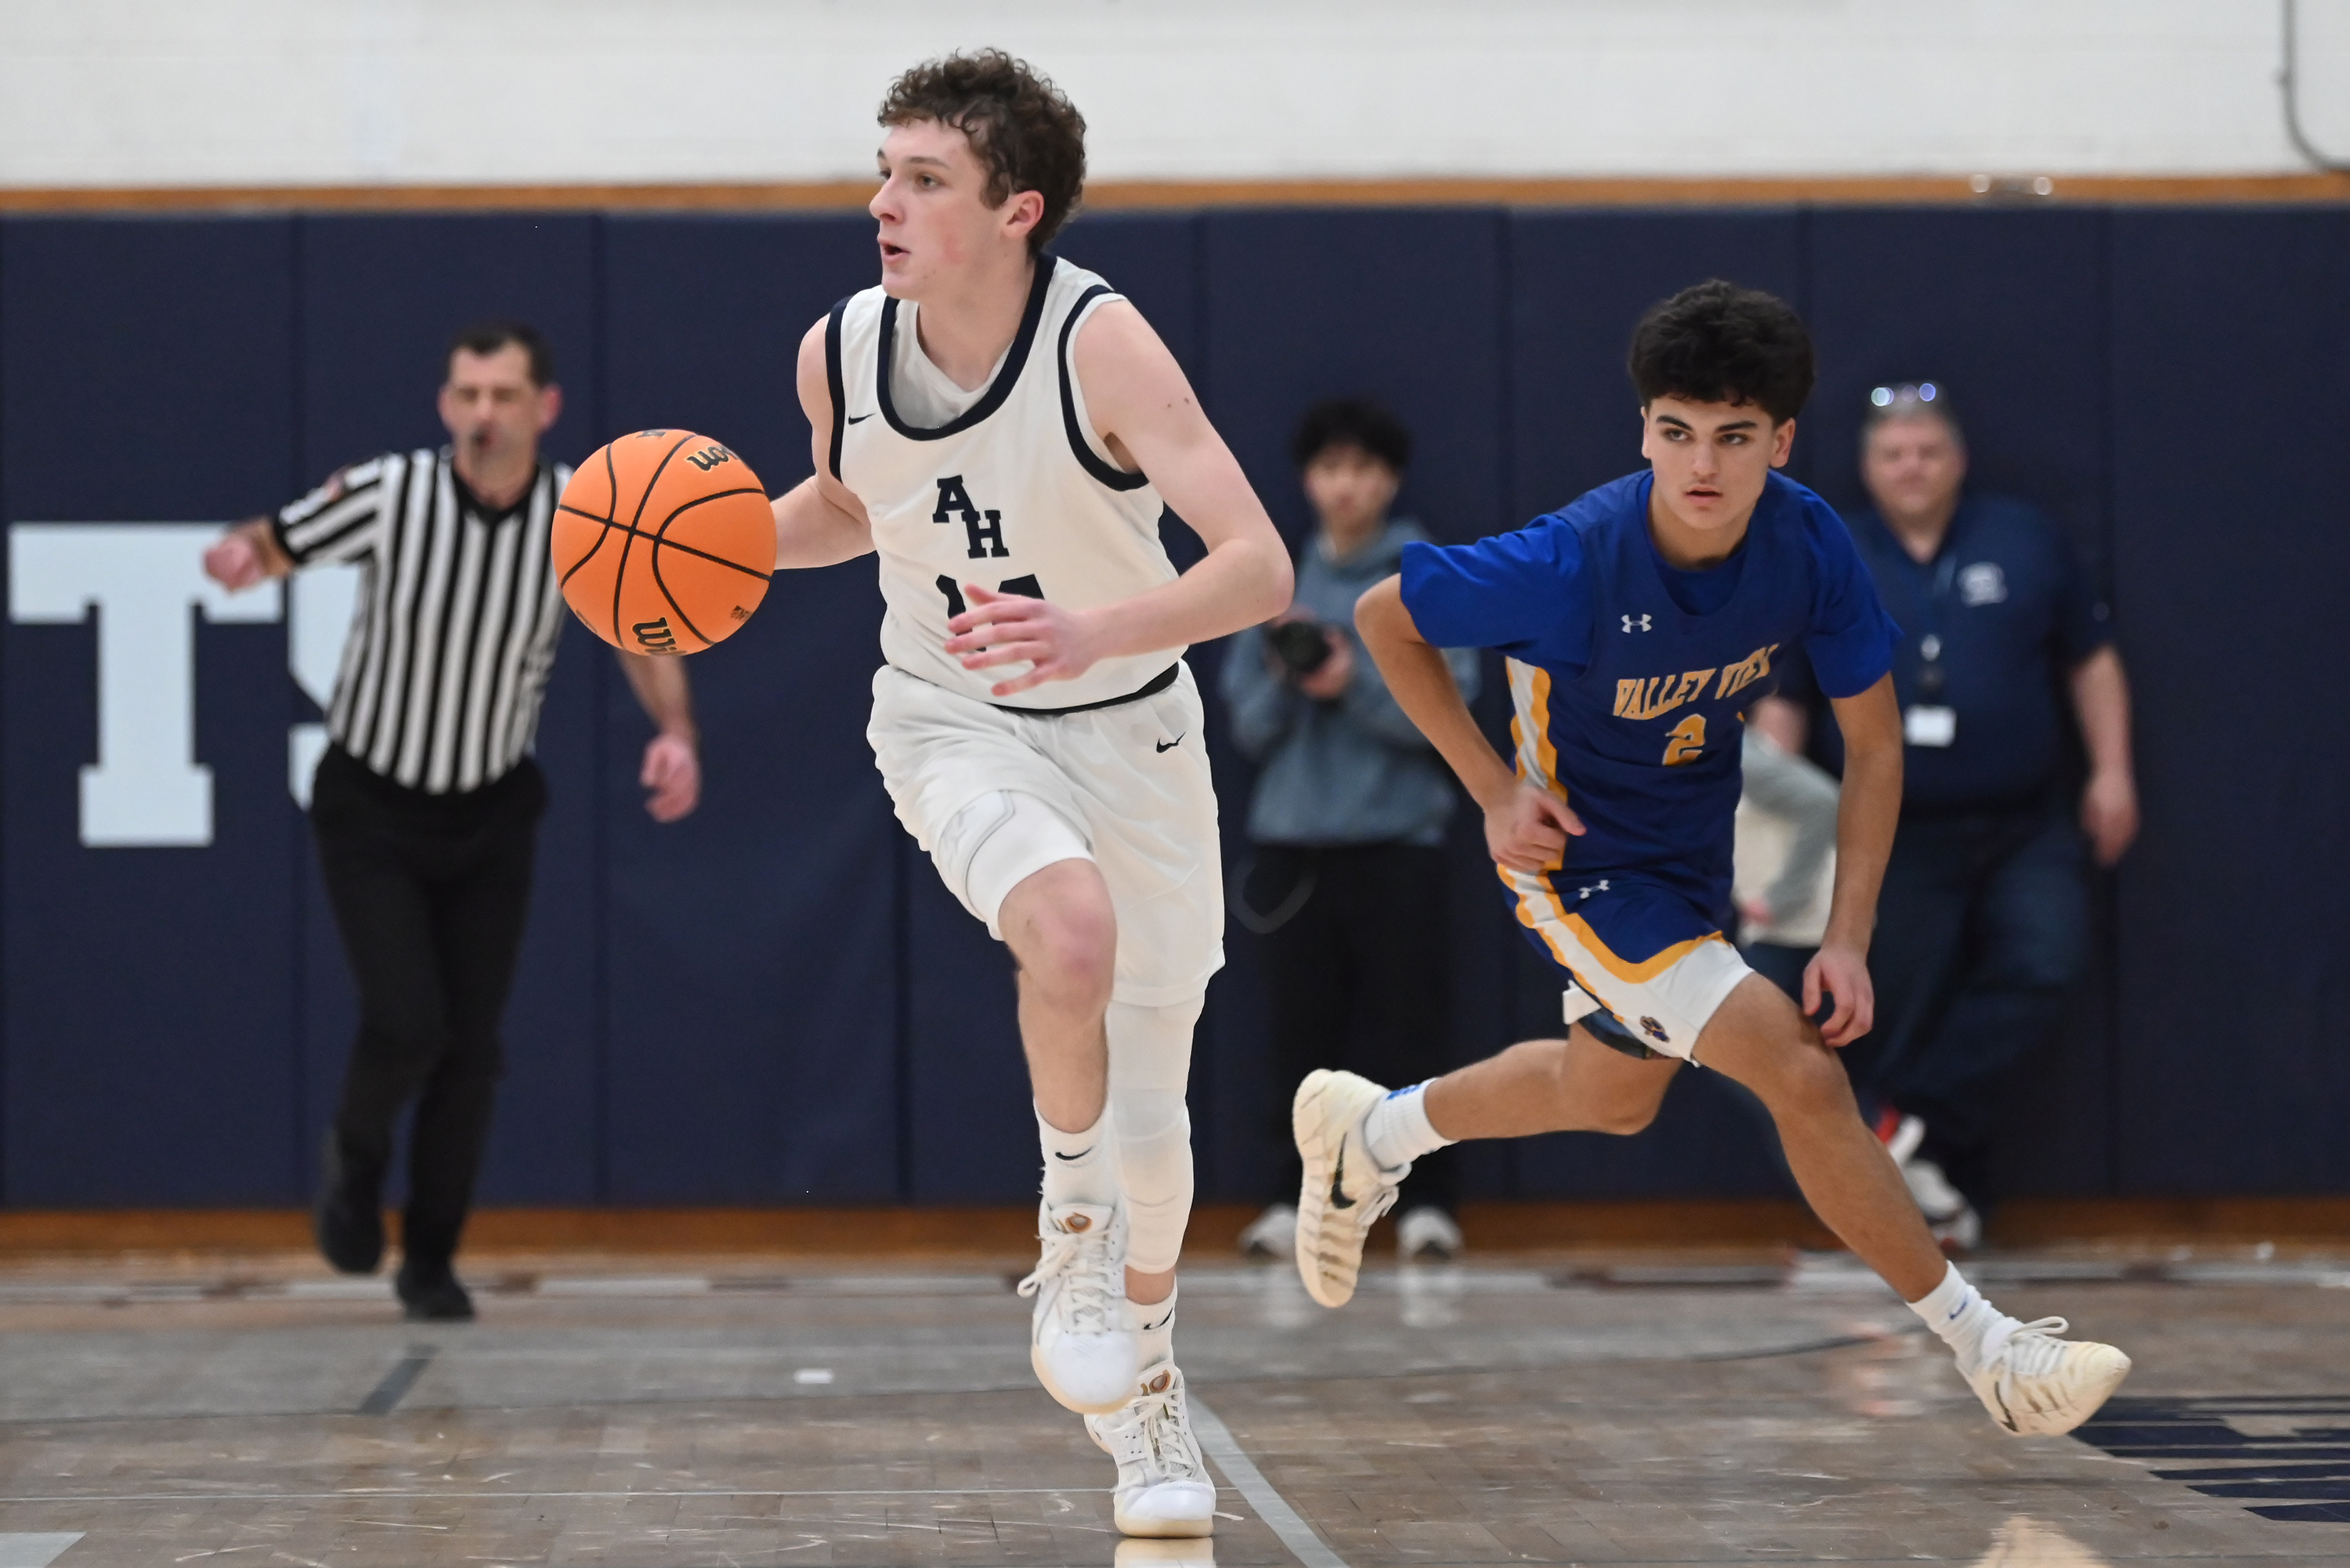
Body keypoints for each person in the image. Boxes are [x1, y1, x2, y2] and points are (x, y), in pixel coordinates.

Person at [1289, 280, 2132, 1438]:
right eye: (1676, 431)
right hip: (1579, 866)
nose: (1702, 463)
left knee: (1611, 1095)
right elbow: (1387, 615)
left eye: (1734, 438)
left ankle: (1374, 1129)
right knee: (1799, 1068)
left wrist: (1848, 935)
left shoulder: (1811, 539)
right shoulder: (1574, 559)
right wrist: (1494, 790)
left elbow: (1873, 743)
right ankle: (1990, 1349)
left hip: (1690, 857)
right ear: (1644, 429)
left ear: (1780, 444)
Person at [762, 52, 1289, 1538]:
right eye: (885, 171)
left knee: (1157, 1107)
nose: (885, 202)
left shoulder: (1102, 345)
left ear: (1017, 210)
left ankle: (1150, 1391)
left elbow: (1259, 567)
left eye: (924, 180)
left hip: (1129, 725)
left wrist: (1094, 629)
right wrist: (731, 543)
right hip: (951, 716)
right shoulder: (842, 352)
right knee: (1064, 936)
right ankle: (1068, 1228)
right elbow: (854, 511)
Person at [202, 320, 701, 1322]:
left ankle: (429, 1258)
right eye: (468, 395)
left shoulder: (580, 520)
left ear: (543, 408)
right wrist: (239, 556)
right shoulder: (392, 493)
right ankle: (353, 1155)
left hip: (490, 812)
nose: (484, 414)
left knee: (472, 1049)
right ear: (446, 406)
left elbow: (639, 632)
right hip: (372, 805)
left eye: (504, 395)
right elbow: (279, 538)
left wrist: (676, 730)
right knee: (408, 1021)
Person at [1757, 385, 2138, 1247]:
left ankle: (1904, 1120)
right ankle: (1921, 1204)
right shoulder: (1832, 549)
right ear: (1867, 466)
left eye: (1927, 451)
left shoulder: (2026, 538)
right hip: (1889, 828)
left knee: (2045, 961)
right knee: (1889, 1002)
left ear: (1957, 459)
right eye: (1894, 453)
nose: (1912, 467)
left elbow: (2091, 659)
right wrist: (1769, 829)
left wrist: (2112, 771)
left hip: (2022, 818)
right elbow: (1786, 697)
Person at [1223, 398, 1478, 1263]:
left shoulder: (1426, 576)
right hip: (1296, 849)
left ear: (1390, 479)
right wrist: (1286, 675)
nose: (1346, 486)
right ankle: (1290, 1203)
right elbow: (1248, 731)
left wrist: (1353, 682)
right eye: (1331, 468)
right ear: (1307, 479)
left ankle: (1428, 1206)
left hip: (1397, 842)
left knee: (1412, 1032)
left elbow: (1452, 710)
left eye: (1364, 469)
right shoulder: (1273, 580)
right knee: (1300, 1036)